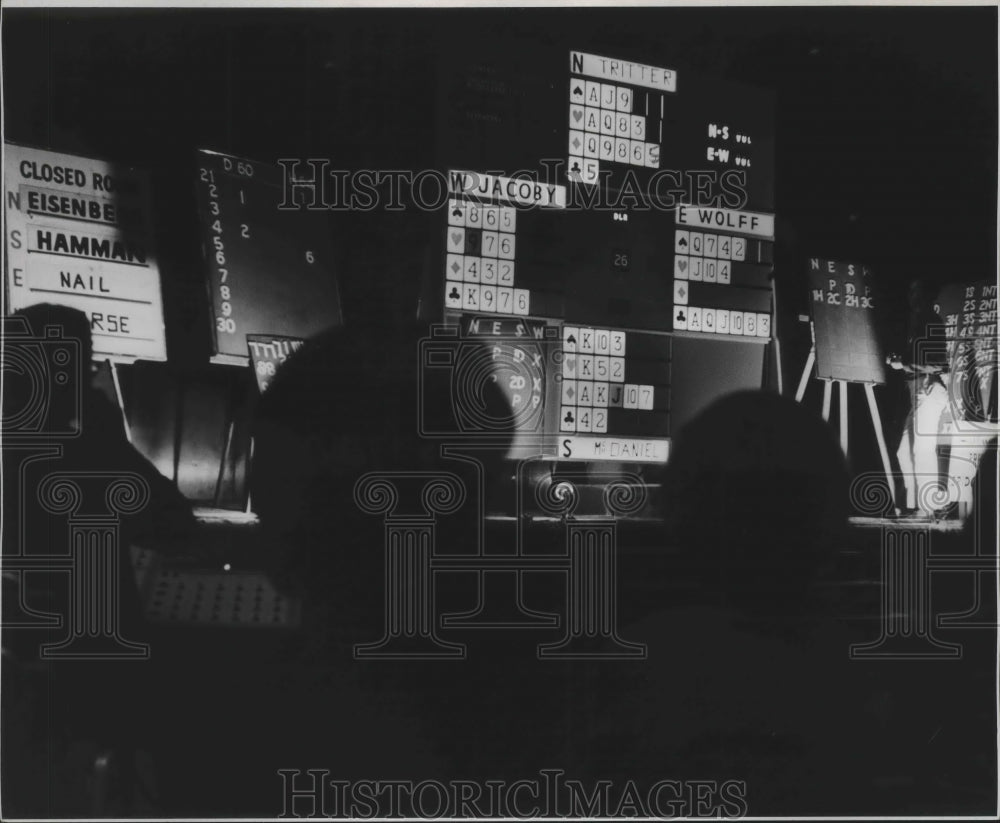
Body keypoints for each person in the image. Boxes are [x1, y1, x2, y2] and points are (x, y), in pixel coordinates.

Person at [887, 279, 950, 517]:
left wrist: (902, 362)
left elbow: (938, 363)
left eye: (918, 293)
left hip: (929, 391)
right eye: (911, 292)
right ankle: (918, 506)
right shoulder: (917, 325)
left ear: (927, 297)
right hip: (918, 395)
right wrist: (900, 359)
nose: (913, 297)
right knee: (904, 452)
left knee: (922, 450)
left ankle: (929, 507)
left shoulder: (931, 322)